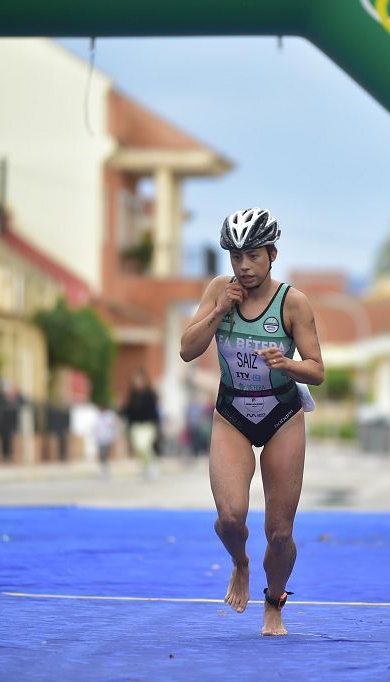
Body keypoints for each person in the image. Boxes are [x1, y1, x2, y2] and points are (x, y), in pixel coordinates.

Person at [179, 207, 324, 636]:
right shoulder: (219, 291)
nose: (243, 266)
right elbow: (187, 349)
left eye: (253, 256)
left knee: (279, 533)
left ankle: (274, 603)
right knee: (229, 519)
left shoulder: (292, 302)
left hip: (281, 414)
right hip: (232, 414)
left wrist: (287, 364)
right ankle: (240, 563)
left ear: (273, 254)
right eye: (236, 256)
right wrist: (219, 310)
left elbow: (317, 369)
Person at [122, 368, 161, 479]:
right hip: (136, 426)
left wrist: (156, 425)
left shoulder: (150, 394)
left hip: (148, 425)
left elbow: (154, 411)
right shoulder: (132, 395)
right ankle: (146, 466)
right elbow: (128, 411)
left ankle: (152, 465)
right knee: (138, 447)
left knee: (145, 445)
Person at [94, 404, 119, 477]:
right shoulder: (98, 416)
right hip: (100, 439)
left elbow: (114, 424)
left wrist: (113, 437)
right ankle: (103, 467)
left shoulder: (109, 415)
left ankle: (106, 468)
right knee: (101, 454)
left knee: (106, 453)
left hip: (107, 438)